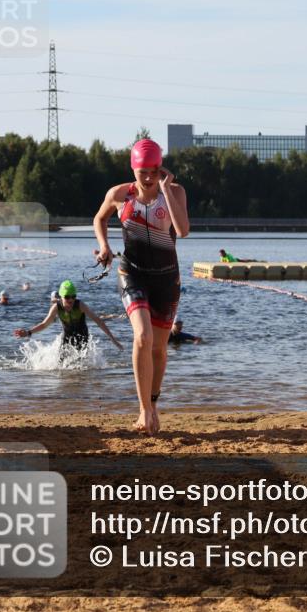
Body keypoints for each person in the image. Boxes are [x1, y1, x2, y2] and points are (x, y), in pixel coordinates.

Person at [93, 138, 189, 435]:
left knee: (159, 349)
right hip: (132, 273)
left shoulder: (173, 192)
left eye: (154, 171)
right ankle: (144, 410)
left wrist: (165, 190)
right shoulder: (120, 194)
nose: (148, 178)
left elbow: (183, 230)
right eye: (142, 172)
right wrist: (104, 246)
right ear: (133, 169)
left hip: (166, 278)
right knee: (143, 336)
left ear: (162, 168)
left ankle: (153, 405)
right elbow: (99, 218)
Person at [14, 280, 122, 350]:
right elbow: (44, 324)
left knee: (81, 366)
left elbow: (98, 321)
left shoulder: (80, 305)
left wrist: (113, 339)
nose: (71, 300)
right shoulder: (56, 307)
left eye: (73, 296)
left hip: (82, 336)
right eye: (67, 297)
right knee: (61, 364)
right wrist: (28, 332)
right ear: (61, 297)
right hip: (67, 337)